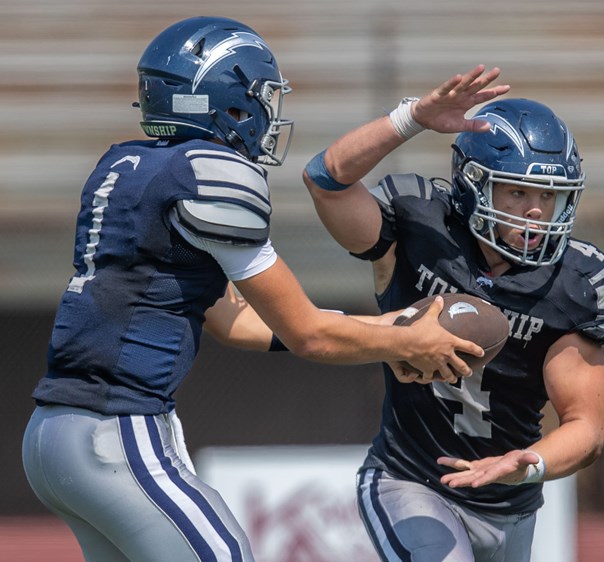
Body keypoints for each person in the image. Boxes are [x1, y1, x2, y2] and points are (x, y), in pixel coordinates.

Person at [21, 17, 483, 562]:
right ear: (228, 102)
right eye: (261, 99)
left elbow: (233, 321)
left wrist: (388, 326)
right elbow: (308, 333)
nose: (267, 115)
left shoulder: (131, 167)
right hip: (115, 431)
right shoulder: (212, 176)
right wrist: (405, 343)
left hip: (53, 435)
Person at [303, 65, 604, 561]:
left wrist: (529, 462)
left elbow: (586, 426)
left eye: (547, 195)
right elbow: (326, 180)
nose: (536, 210)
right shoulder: (420, 224)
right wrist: (410, 118)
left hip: (511, 503)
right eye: (518, 192)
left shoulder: (576, 283)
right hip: (411, 481)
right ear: (474, 184)